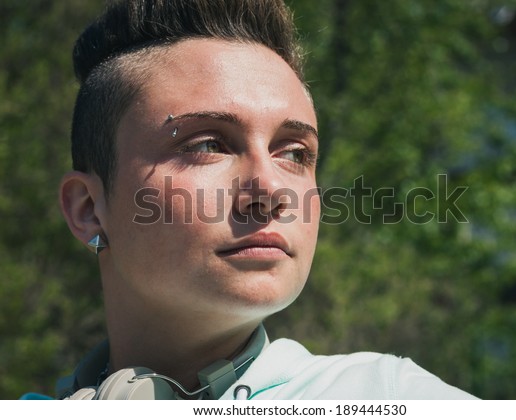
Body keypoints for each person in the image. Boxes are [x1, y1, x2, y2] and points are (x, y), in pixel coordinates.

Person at [28, 0, 476, 400]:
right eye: (207, 145)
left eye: (295, 153)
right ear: (88, 210)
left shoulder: (389, 395)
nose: (271, 191)